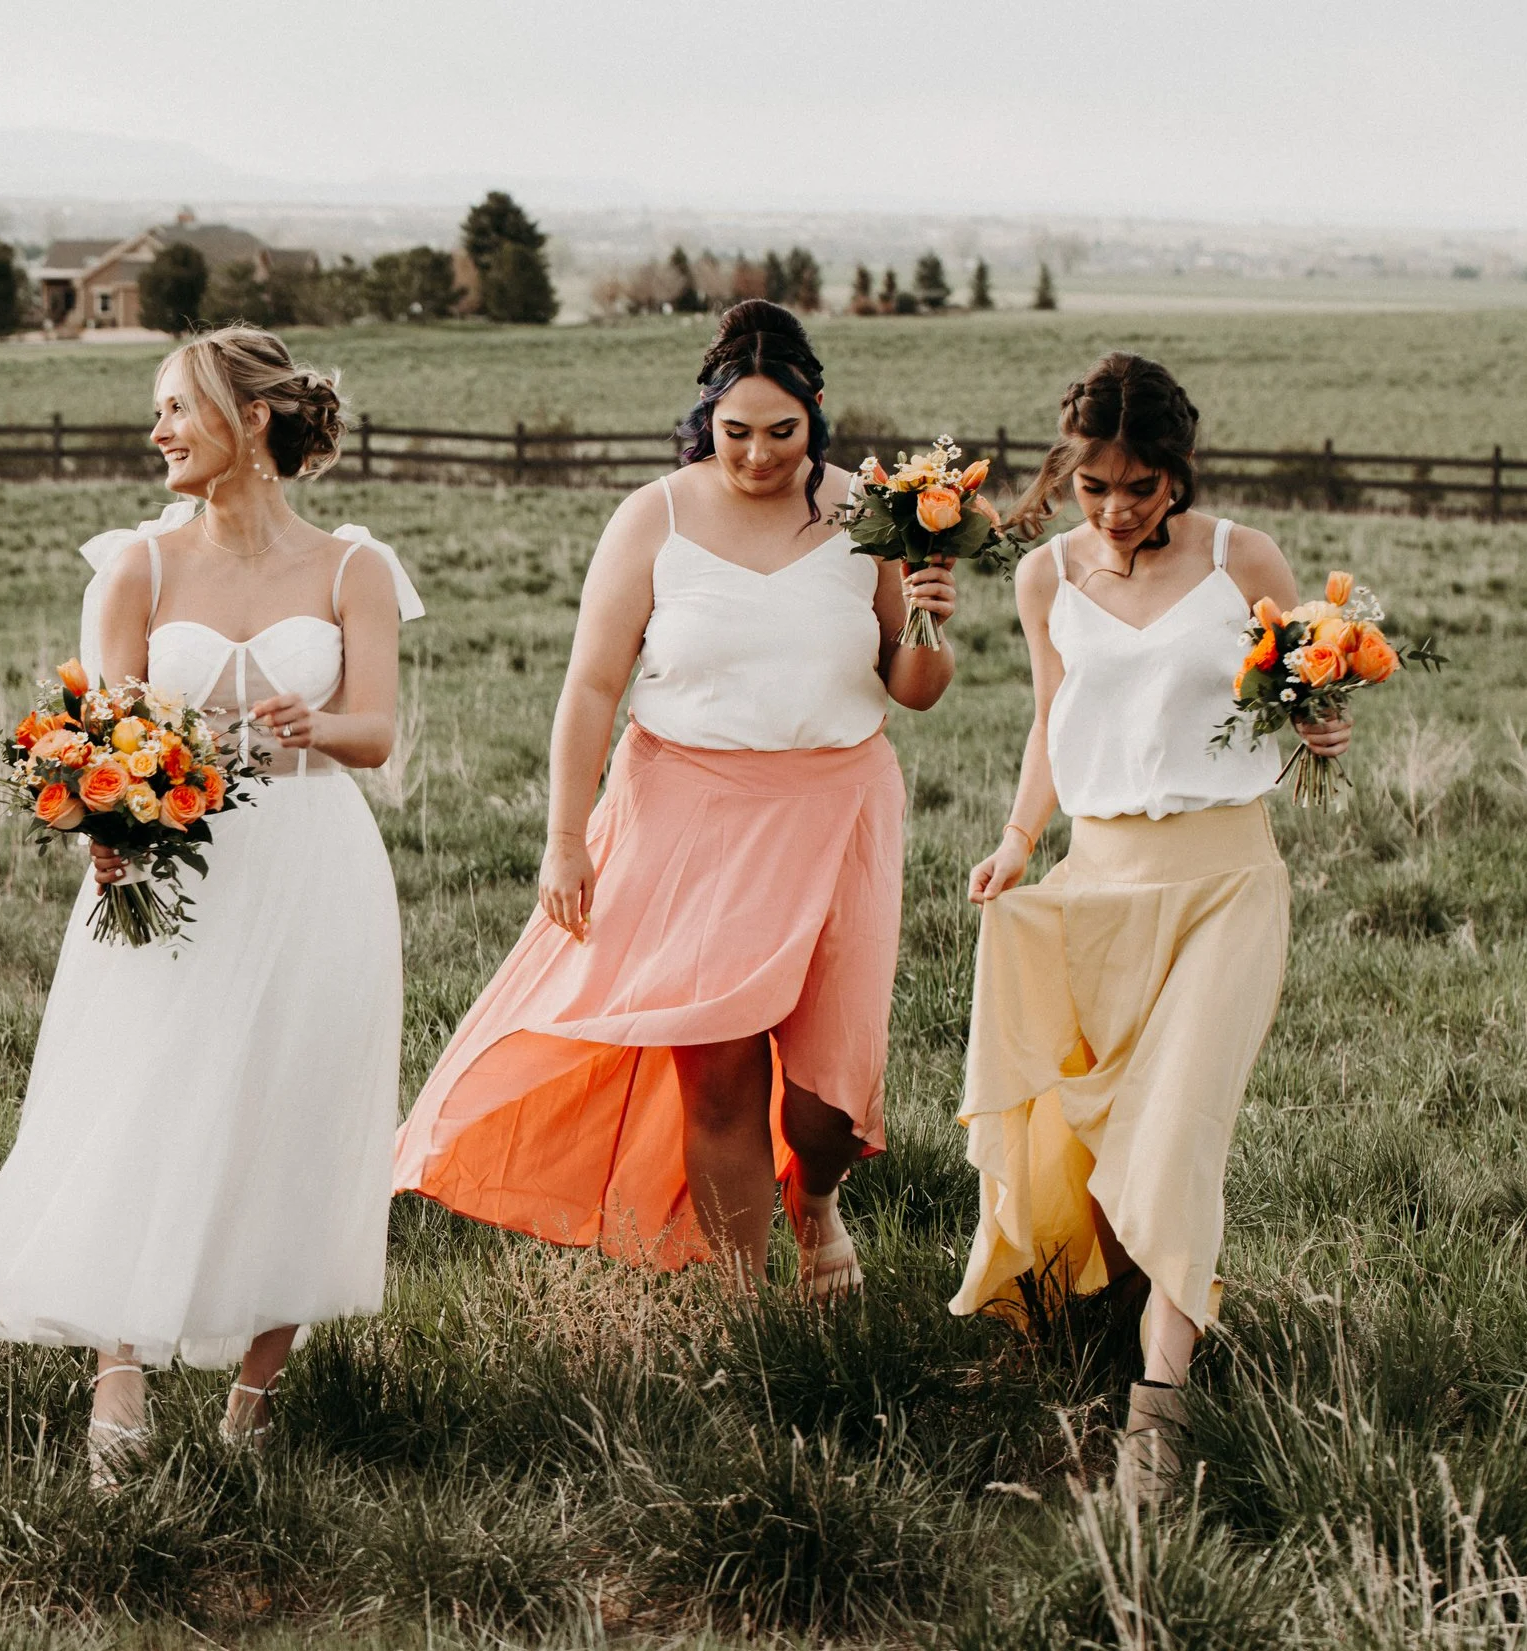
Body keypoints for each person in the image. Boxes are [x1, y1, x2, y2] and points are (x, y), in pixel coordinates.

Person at [393, 300, 955, 1293]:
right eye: (735, 432)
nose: (756, 455)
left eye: (781, 432)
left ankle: (814, 1197)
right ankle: (750, 1310)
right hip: (689, 815)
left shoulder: (869, 512)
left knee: (827, 1099)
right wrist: (565, 837)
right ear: (708, 419)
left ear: (815, 414)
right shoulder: (653, 515)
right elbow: (591, 687)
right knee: (721, 1076)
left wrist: (931, 625)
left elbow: (909, 690)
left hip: (840, 809)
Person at [0, 327, 424, 1484]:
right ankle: (120, 1379)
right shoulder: (137, 568)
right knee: (146, 1100)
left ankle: (250, 1406)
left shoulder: (353, 565)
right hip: (174, 869)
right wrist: (101, 840)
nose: (157, 429)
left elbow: (376, 729)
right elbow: (90, 741)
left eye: (175, 407)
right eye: (155, 410)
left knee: (296, 1109)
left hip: (316, 862)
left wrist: (321, 729)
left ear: (250, 418)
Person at [950, 351, 1351, 1496]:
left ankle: (1156, 1413)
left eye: (1141, 485)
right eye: (1094, 487)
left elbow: (1304, 691)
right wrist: (1016, 842)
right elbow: (1049, 724)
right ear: (1069, 475)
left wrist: (1321, 726)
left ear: (1176, 472)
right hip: (1096, 881)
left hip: (1226, 882)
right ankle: (1078, 1322)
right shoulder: (1044, 577)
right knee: (1091, 1130)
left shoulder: (1243, 560)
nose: (1118, 510)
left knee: (1178, 1130)